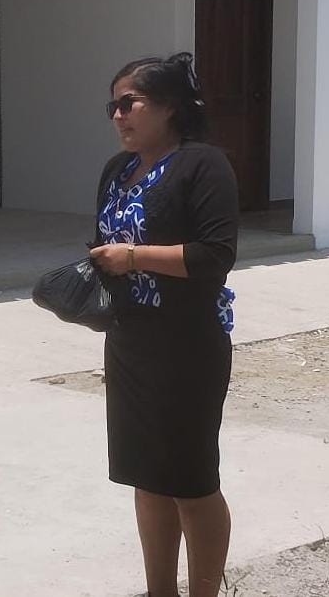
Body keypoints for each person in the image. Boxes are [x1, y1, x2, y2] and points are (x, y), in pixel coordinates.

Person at [88, 52, 238, 597]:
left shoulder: (204, 165)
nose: (118, 115)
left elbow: (214, 255)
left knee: (191, 481)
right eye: (112, 106)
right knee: (147, 476)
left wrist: (133, 258)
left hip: (187, 346)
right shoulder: (117, 170)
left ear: (170, 105)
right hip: (130, 342)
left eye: (129, 103)